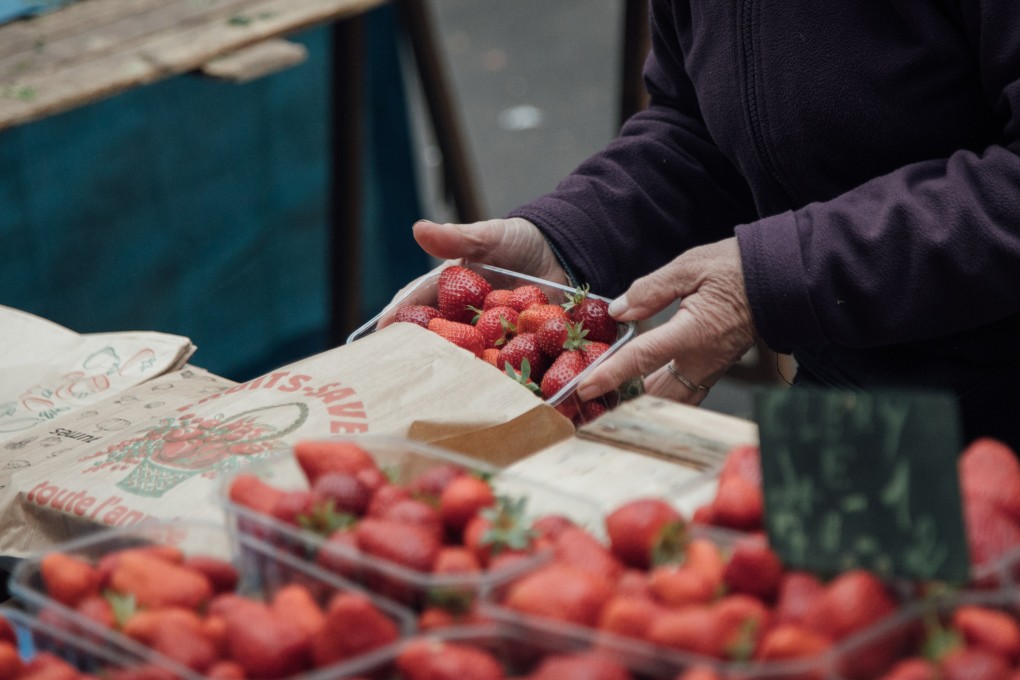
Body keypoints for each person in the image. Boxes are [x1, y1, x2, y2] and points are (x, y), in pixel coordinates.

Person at [402, 1, 1020, 450]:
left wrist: (778, 275)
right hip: (846, 399)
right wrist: (566, 239)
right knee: (809, 590)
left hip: (999, 408)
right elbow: (698, 126)